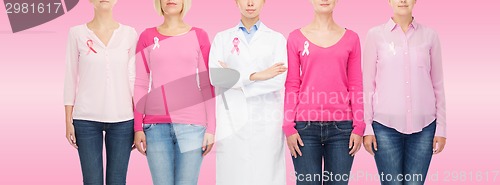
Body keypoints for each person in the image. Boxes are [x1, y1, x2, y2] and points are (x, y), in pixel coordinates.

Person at [362, 0, 447, 184]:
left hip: (424, 128)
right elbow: (367, 85)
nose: (402, 0)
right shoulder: (375, 35)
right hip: (384, 127)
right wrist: (366, 126)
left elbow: (438, 84)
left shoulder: (430, 36)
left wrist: (441, 128)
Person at [132, 0, 215, 184]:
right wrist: (138, 127)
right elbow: (140, 84)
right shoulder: (147, 36)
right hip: (155, 128)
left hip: (193, 127)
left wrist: (211, 128)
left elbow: (207, 84)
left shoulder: (199, 35)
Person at [283, 0, 364, 184]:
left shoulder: (351, 38)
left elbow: (356, 85)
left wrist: (359, 125)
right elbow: (292, 84)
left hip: (342, 129)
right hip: (304, 128)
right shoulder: (295, 38)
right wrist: (288, 125)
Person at [209, 0, 288, 184]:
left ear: (264, 2)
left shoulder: (277, 39)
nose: (250, 3)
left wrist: (235, 80)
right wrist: (257, 75)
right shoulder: (222, 38)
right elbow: (216, 78)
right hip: (231, 121)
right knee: (232, 174)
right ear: (236, 2)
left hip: (266, 121)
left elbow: (277, 81)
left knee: (267, 175)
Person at [63, 0, 137, 184]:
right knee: (91, 180)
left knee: (118, 180)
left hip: (123, 120)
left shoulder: (129, 34)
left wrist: (139, 124)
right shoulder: (77, 33)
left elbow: (135, 78)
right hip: (86, 119)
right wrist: (67, 121)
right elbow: (70, 77)